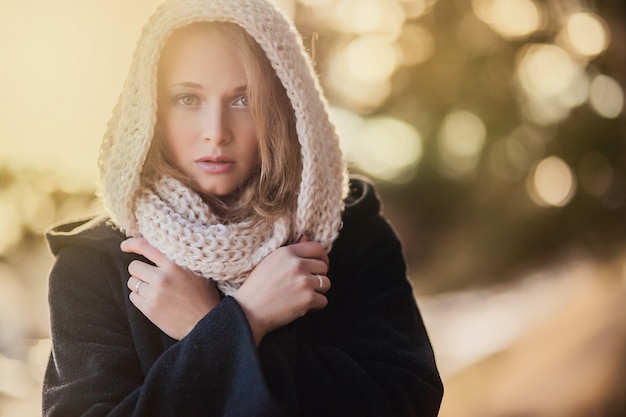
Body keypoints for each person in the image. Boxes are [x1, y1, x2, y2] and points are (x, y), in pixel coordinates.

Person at [43, 0, 443, 415]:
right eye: (187, 99)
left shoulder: (353, 236)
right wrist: (243, 321)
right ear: (150, 111)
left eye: (243, 100)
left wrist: (213, 329)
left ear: (286, 107)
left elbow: (406, 401)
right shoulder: (93, 264)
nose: (215, 133)